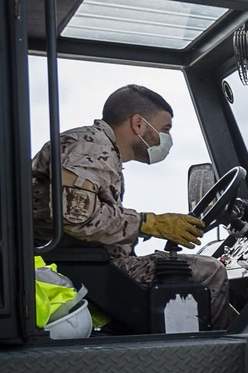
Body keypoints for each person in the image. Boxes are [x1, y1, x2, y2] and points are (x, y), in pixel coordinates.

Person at [31, 84, 232, 329]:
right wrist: (150, 224)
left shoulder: (100, 150)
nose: (167, 139)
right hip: (79, 268)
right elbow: (76, 218)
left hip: (87, 263)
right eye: (165, 129)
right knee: (211, 271)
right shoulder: (89, 148)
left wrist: (143, 230)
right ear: (138, 124)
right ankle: (216, 357)